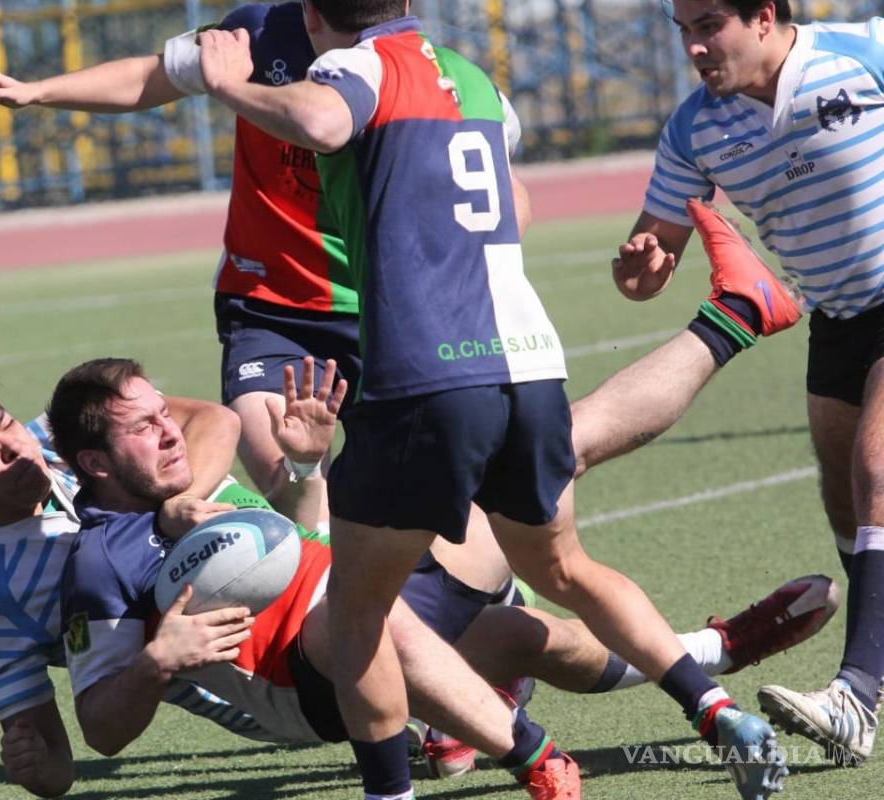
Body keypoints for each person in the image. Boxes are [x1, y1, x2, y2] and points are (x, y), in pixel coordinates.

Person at [194, 2, 791, 798]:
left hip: (426, 373)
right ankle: (716, 711)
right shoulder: (471, 79)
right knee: (566, 568)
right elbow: (514, 204)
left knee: (361, 612)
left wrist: (230, 85)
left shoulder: (354, 68)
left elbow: (322, 121)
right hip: (528, 363)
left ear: (310, 16)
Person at [45, 355, 831, 797]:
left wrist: (310, 462)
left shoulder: (197, 486)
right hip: (312, 682)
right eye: (144, 428)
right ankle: (533, 756)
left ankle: (715, 652)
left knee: (542, 487)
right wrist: (157, 659)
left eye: (163, 413)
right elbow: (102, 732)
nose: (170, 433)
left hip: (368, 595)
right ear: (93, 464)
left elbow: (309, 538)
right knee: (367, 617)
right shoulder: (98, 564)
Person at [614, 0, 884, 767]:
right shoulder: (694, 128)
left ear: (763, 16)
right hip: (838, 318)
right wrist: (640, 266)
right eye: (683, 31)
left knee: (877, 471)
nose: (695, 47)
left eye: (709, 26)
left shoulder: (861, 52)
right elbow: (652, 256)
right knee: (845, 502)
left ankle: (857, 696)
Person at [0, 350, 246, 798]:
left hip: (263, 565)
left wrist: (180, 504)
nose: (14, 447)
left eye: (5, 423)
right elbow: (58, 767)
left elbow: (214, 420)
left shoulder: (61, 434)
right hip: (253, 687)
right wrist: (33, 765)